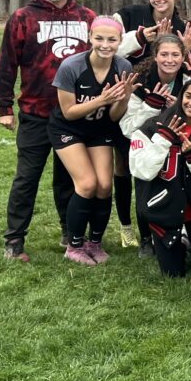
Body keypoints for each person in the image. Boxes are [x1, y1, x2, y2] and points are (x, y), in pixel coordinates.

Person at [0, 0, 97, 262]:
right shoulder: (23, 17)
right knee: (27, 178)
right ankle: (14, 239)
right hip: (35, 112)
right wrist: (4, 106)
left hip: (73, 115)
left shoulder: (87, 17)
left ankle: (70, 232)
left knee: (69, 179)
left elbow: (101, 58)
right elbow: (6, 62)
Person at [112, 0, 191, 249]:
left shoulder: (184, 27)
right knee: (130, 168)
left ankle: (184, 226)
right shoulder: (131, 15)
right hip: (127, 97)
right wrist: (139, 37)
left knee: (175, 170)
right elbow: (107, 47)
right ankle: (132, 229)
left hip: (171, 124)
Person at [49, 17, 136, 265]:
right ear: (90, 37)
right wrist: (102, 99)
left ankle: (94, 243)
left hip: (100, 128)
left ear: (120, 41)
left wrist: (124, 99)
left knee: (104, 186)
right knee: (86, 184)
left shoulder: (124, 66)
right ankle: (74, 245)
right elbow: (69, 112)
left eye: (112, 39)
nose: (105, 44)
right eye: (99, 38)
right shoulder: (71, 66)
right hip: (69, 128)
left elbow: (114, 116)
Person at [130, 77, 191, 277]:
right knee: (172, 273)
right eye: (188, 96)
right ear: (181, 96)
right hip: (164, 208)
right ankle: (180, 240)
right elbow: (141, 170)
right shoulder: (151, 127)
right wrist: (163, 140)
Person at [116, 0, 189, 64]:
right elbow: (108, 49)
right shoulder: (128, 15)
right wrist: (139, 38)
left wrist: (185, 49)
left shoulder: (182, 28)